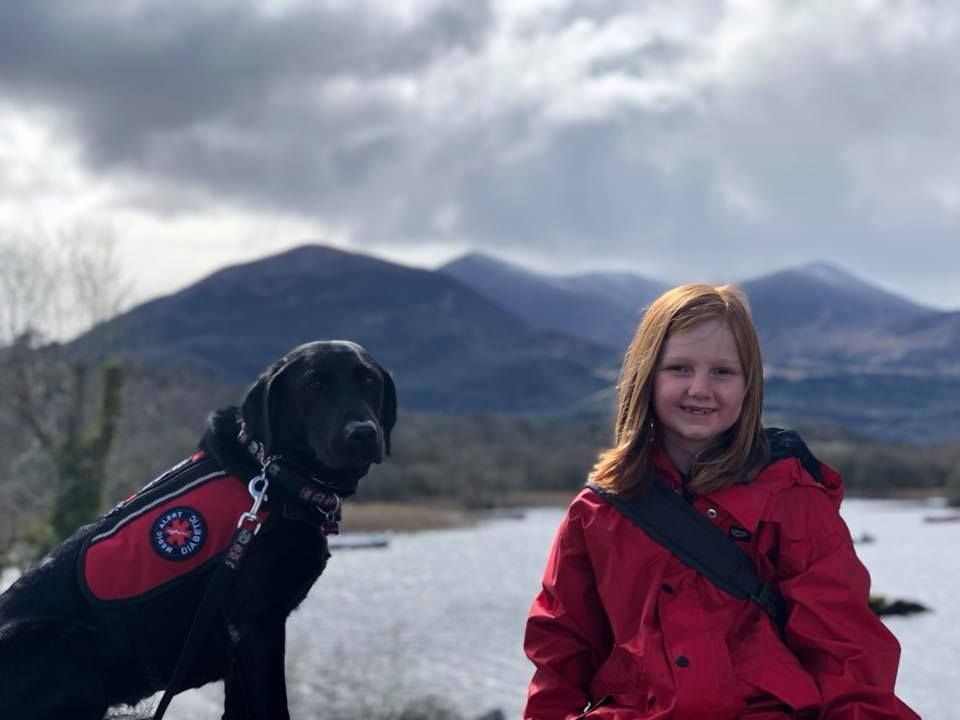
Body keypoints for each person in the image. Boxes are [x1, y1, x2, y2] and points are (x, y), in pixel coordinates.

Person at [522, 284, 918, 720]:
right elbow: (560, 655)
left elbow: (848, 656)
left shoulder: (792, 500)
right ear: (645, 376)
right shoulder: (597, 513)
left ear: (749, 385)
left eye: (722, 372)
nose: (700, 388)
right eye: (679, 368)